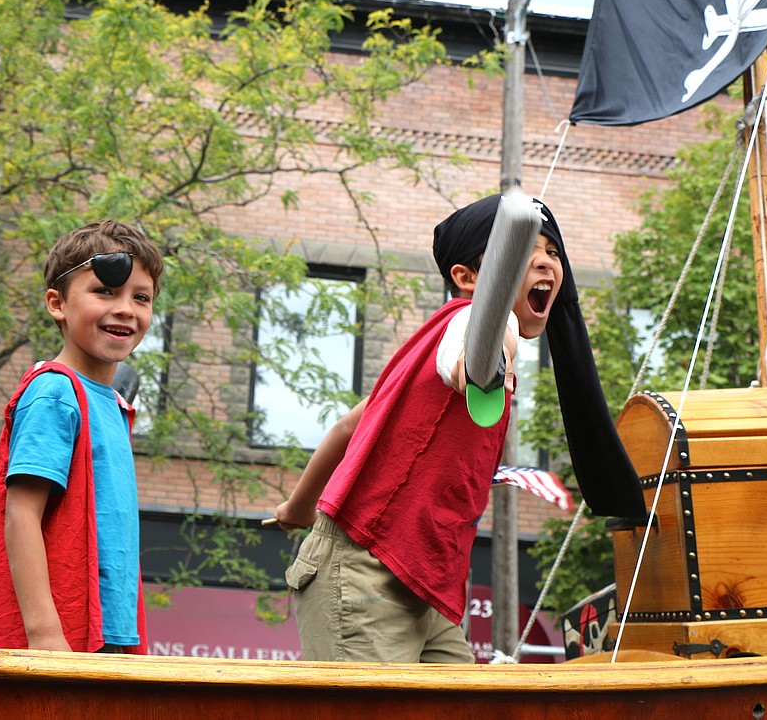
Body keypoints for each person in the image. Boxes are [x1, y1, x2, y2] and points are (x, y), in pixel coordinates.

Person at [272, 194, 645, 663]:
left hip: (428, 588)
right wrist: (484, 366)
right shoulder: (475, 322)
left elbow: (350, 427)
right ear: (467, 279)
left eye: (553, 252)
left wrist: (297, 506)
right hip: (366, 569)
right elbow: (474, 353)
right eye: (524, 249)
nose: (546, 262)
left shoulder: (417, 359)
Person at [0, 219, 163, 654]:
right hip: (61, 640)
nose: (126, 309)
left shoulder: (112, 405)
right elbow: (21, 515)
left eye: (141, 298)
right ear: (57, 304)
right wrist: (44, 637)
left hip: (109, 633)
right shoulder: (56, 391)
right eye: (105, 292)